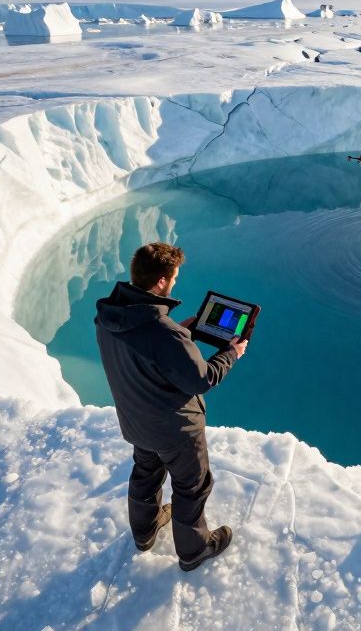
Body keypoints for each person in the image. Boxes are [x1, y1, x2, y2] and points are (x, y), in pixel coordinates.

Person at [94, 241, 248, 571]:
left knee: (146, 472)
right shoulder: (166, 334)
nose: (176, 282)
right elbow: (201, 378)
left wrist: (181, 332)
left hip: (136, 419)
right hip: (176, 430)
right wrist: (231, 354)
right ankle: (194, 550)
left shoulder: (109, 316)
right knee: (193, 485)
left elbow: (143, 350)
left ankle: (145, 531)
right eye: (174, 277)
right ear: (162, 280)